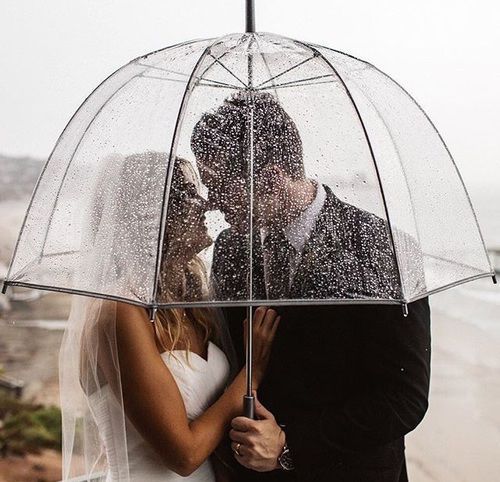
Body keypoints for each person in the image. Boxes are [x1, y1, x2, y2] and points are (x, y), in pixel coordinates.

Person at [191, 93, 431, 481]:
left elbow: (404, 398)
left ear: (269, 177)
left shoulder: (381, 247)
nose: (212, 203)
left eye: (219, 186)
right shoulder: (232, 246)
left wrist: (289, 445)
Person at [59, 153, 281, 482]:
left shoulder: (191, 304)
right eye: (190, 194)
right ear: (154, 214)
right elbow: (183, 454)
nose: (206, 204)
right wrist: (253, 372)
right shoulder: (118, 310)